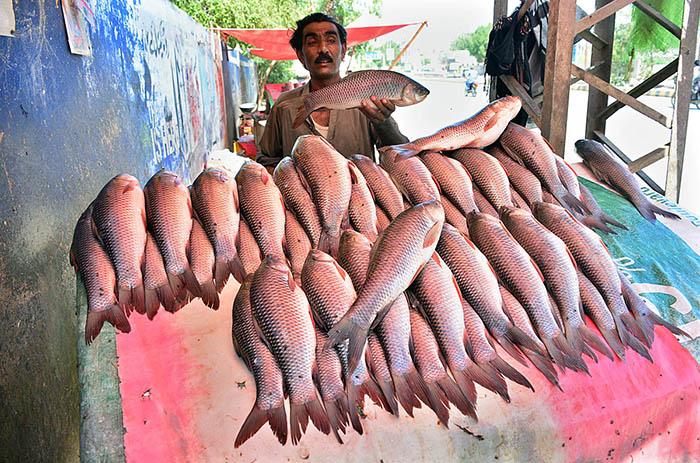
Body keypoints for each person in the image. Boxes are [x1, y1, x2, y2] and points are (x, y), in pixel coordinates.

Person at [256, 13, 409, 168]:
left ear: (343, 51)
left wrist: (383, 123)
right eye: (312, 42)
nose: (323, 49)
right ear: (300, 55)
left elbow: (401, 156)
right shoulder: (284, 105)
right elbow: (266, 161)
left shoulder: (368, 99)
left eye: (331, 40)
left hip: (359, 192)